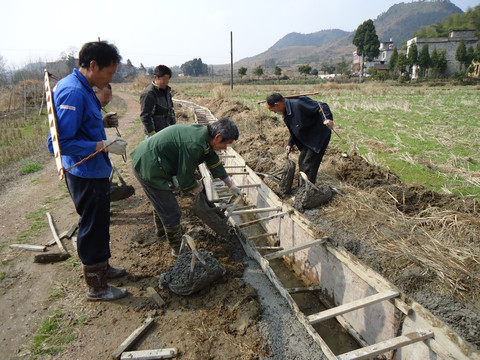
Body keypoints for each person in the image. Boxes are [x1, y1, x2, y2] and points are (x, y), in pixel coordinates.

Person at [46, 41, 128, 301]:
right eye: (110, 72)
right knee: (92, 226)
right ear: (93, 66)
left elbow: (78, 126)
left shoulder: (83, 88)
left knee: (101, 222)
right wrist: (102, 144)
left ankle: (102, 268)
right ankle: (96, 287)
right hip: (85, 173)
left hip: (94, 171)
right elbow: (57, 143)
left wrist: (102, 122)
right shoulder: (73, 93)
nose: (111, 78)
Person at [130, 118, 242, 256]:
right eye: (226, 144)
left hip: (156, 160)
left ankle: (161, 232)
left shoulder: (205, 136)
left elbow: (213, 160)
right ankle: (177, 250)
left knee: (161, 202)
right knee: (171, 211)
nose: (225, 148)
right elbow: (185, 175)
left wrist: (230, 185)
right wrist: (193, 186)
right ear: (218, 137)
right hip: (148, 165)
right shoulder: (195, 144)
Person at [266, 93, 334, 185]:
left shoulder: (299, 103)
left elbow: (322, 106)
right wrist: (290, 143)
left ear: (277, 104)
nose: (275, 113)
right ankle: (302, 187)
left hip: (318, 136)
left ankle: (307, 190)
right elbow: (294, 128)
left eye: (273, 110)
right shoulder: (286, 112)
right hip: (307, 137)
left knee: (309, 164)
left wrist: (328, 119)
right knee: (302, 161)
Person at [140, 64, 176, 138]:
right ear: (156, 77)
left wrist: (173, 127)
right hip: (154, 135)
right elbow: (145, 116)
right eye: (164, 79)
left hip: (167, 132)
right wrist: (153, 134)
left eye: (168, 79)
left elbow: (171, 111)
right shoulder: (149, 93)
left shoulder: (167, 92)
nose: (167, 82)